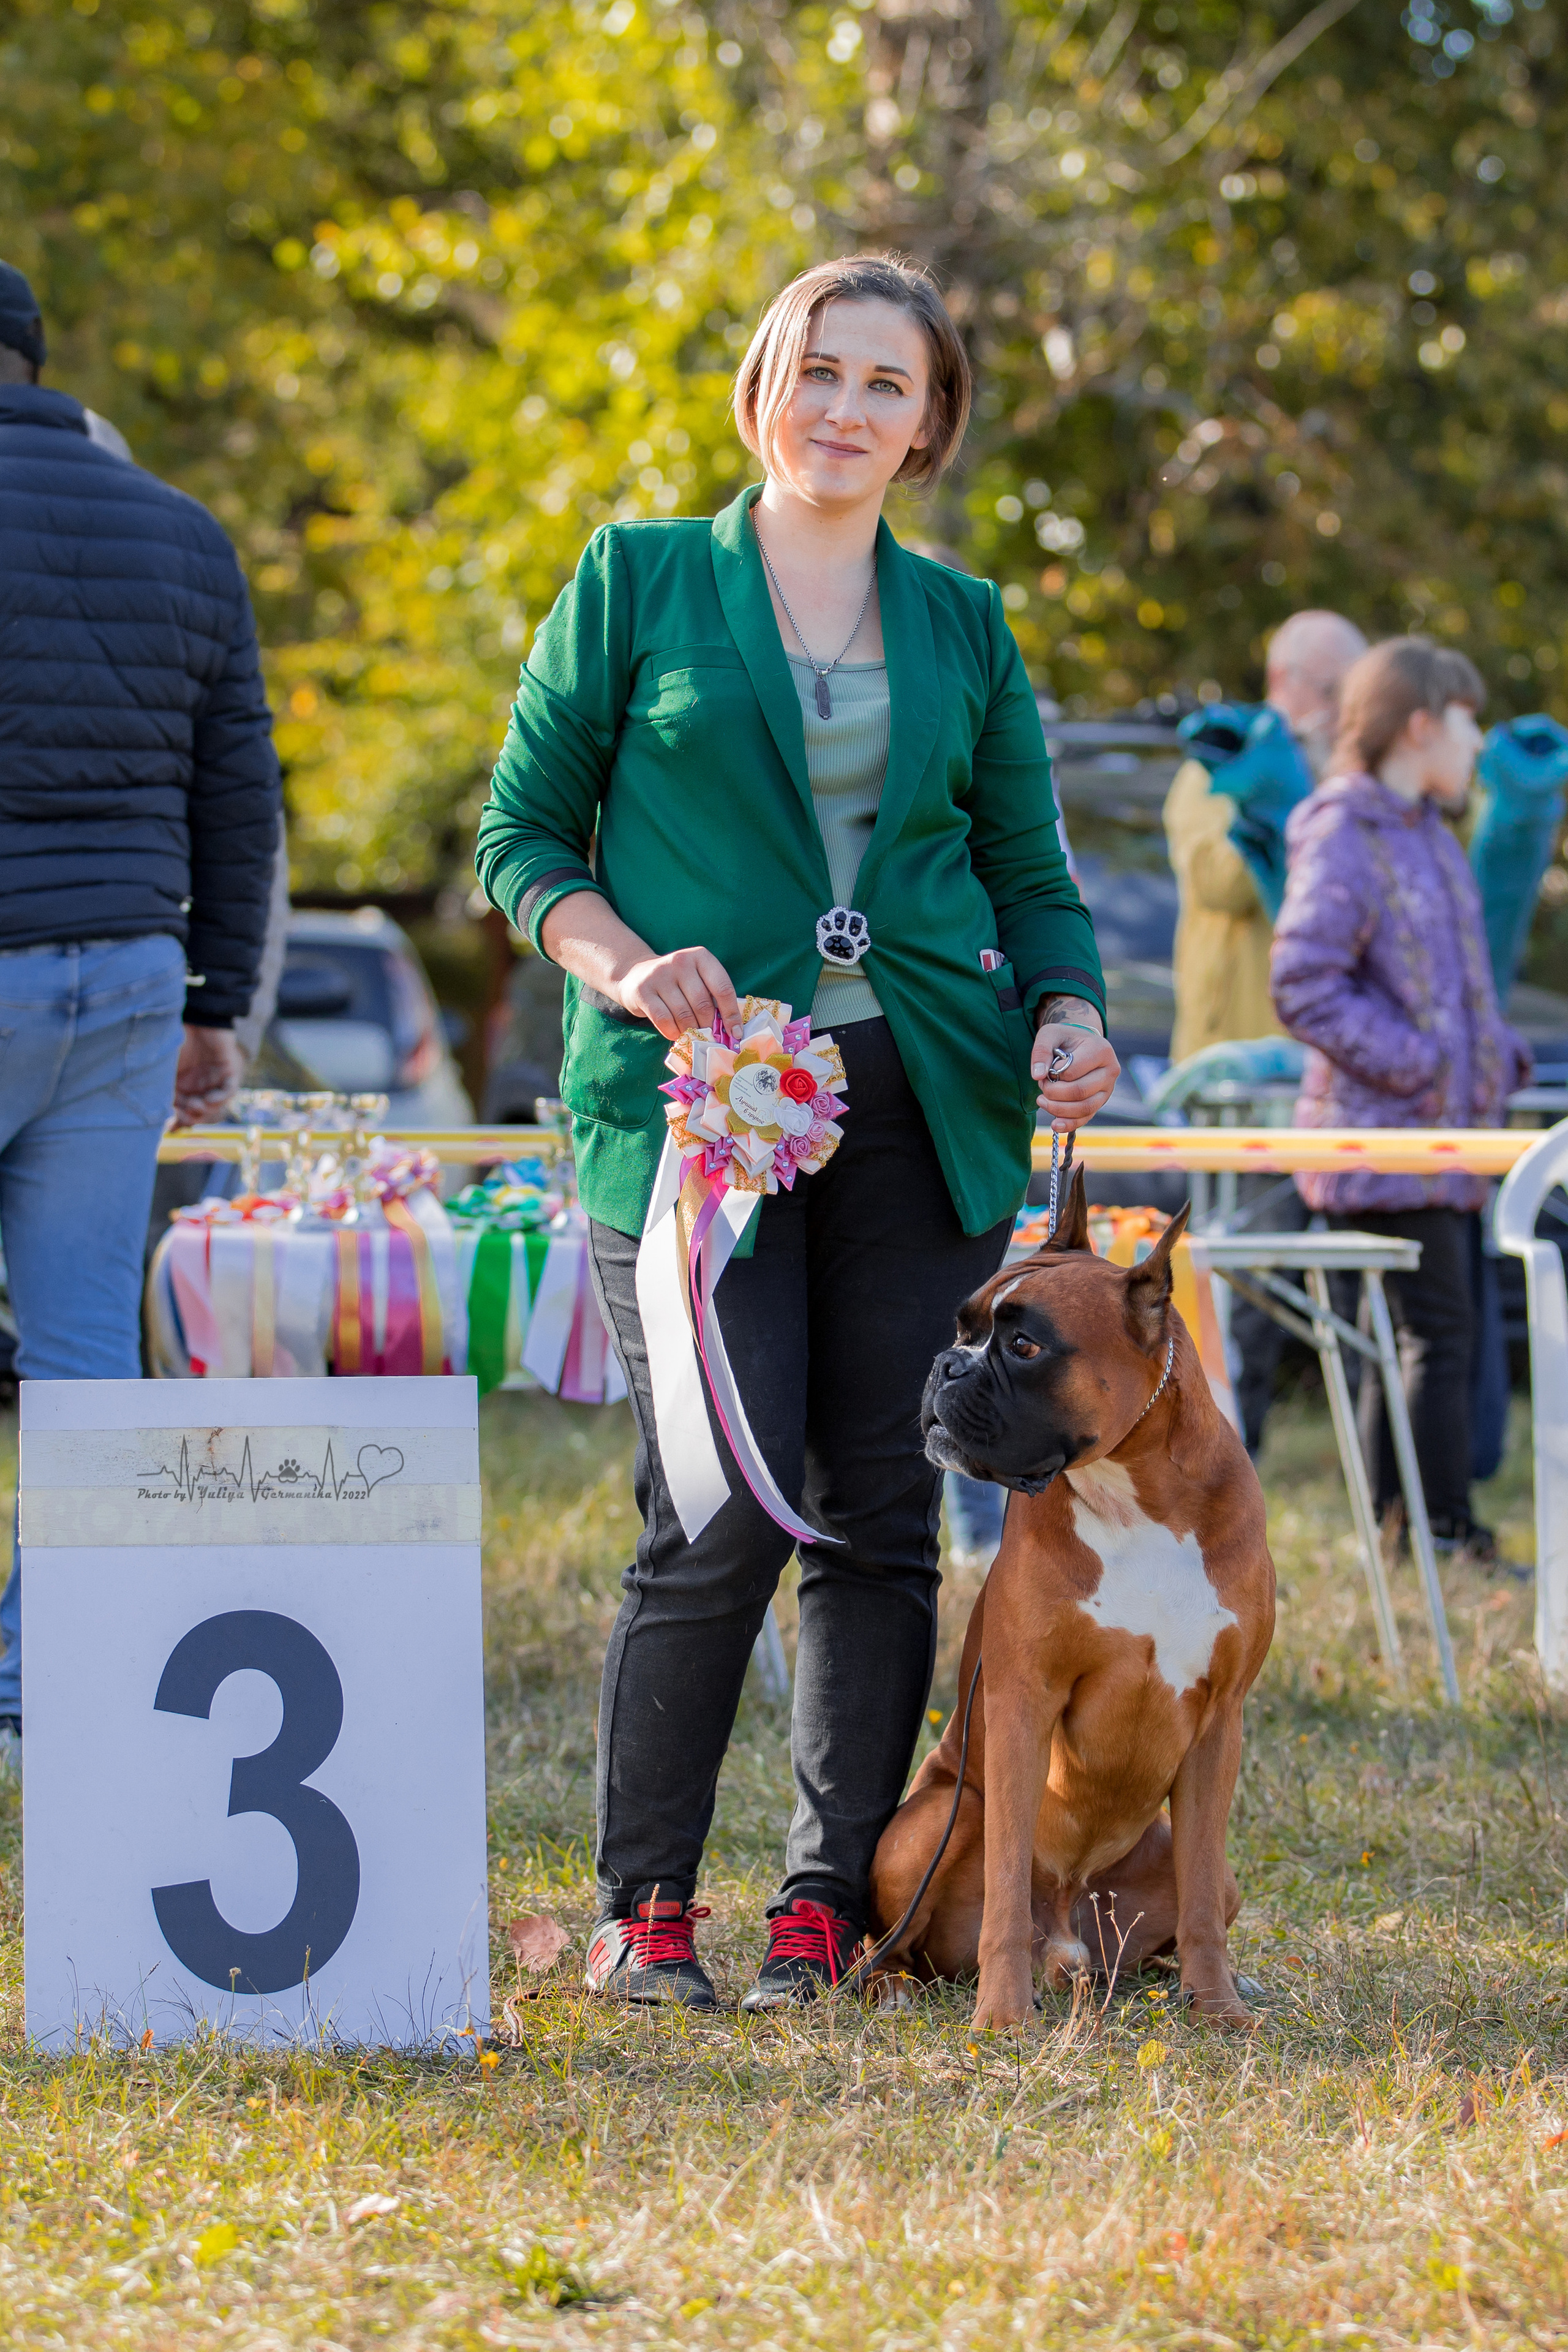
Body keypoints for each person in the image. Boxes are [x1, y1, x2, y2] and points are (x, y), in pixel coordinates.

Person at [475, 252, 1117, 2010]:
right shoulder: (636, 580)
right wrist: (616, 968)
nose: (843, 407)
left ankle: (822, 1904)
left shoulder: (968, 625)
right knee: (715, 1507)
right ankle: (646, 1907)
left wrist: (1066, 1012)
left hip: (920, 1109)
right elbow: (523, 837)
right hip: (692, 1124)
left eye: (885, 385)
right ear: (764, 387)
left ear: (930, 427)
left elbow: (1027, 876)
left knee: (875, 1513)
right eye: (817, 370)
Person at [0, 261, 280, 1755]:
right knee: (81, 1348)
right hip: (121, 974)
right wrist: (215, 1001)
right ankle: (50, 1681)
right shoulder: (180, 531)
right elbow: (239, 791)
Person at [1270, 638, 1531, 1565]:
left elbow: (1453, 985)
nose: (1479, 740)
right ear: (1419, 723)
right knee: (1431, 1340)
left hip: (1445, 1142)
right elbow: (1303, 981)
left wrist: (1494, 1055)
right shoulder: (1343, 829)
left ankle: (1418, 1531)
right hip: (1382, 1147)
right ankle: (1432, 1534)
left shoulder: (1428, 831)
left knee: (1432, 1341)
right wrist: (1421, 1064)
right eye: (1469, 719)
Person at [1163, 609, 1368, 1065]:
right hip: (1230, 1065)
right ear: (1280, 677)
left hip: (1328, 1054)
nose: (1344, 714)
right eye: (1334, 691)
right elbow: (1218, 885)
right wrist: (1277, 799)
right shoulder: (1217, 767)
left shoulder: (1353, 780)